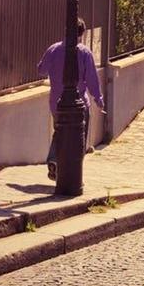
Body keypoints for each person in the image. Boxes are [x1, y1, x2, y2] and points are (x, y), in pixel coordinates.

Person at [38, 18, 104, 180]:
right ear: (82, 33)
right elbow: (92, 80)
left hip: (56, 102)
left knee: (59, 132)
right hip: (79, 103)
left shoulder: (53, 49)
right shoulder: (84, 52)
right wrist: (99, 99)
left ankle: (54, 159)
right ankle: (73, 173)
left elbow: (41, 70)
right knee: (79, 137)